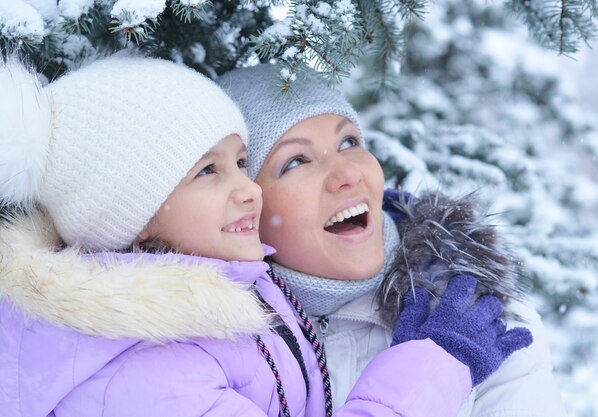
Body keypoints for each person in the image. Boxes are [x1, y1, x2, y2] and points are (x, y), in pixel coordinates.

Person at [0, 56, 529, 417]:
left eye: (241, 163)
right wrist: (434, 363)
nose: (247, 190)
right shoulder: (144, 361)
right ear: (135, 217)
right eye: (208, 171)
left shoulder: (238, 303)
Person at [217, 63, 568, 417]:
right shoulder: (214, 350)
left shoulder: (481, 321)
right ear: (246, 207)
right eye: (296, 161)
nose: (348, 173)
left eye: (349, 142)